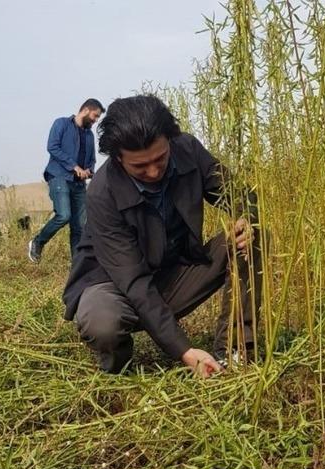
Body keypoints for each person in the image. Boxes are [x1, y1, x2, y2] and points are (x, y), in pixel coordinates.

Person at [62, 95, 263, 378]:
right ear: (118, 158)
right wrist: (184, 350)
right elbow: (133, 282)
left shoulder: (188, 150)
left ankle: (235, 351)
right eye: (140, 167)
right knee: (102, 323)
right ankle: (119, 367)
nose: (154, 171)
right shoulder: (102, 192)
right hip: (115, 285)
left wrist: (246, 218)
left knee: (251, 238)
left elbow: (241, 195)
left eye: (160, 159)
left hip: (171, 274)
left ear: (170, 140)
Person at [28, 98, 104, 262]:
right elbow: (52, 146)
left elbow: (91, 160)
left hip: (79, 184)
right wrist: (74, 166)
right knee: (64, 215)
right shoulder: (61, 123)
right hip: (59, 177)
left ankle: (76, 267)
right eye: (95, 116)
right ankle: (37, 242)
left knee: (79, 227)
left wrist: (89, 171)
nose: (96, 120)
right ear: (85, 110)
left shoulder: (89, 135)